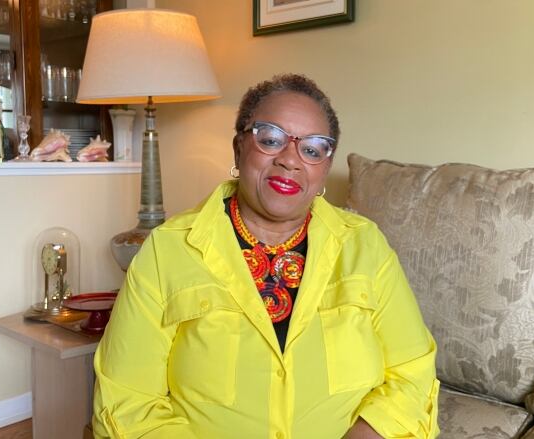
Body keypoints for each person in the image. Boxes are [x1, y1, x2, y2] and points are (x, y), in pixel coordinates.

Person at [92, 74, 440, 439]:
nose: (290, 160)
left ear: (324, 166)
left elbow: (412, 370)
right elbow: (127, 401)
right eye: (270, 139)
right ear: (238, 148)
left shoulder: (365, 246)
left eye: (312, 148)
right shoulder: (167, 251)